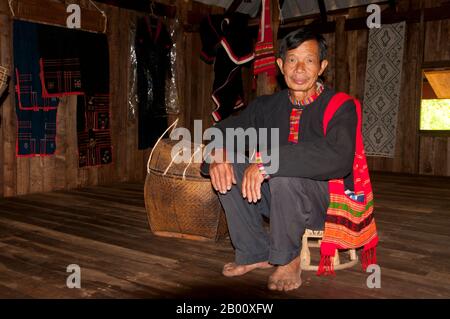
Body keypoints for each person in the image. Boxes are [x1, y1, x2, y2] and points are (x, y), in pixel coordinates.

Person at [201, 27, 357, 291]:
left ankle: (288, 258)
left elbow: (339, 157)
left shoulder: (340, 106)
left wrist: (268, 160)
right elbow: (220, 132)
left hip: (327, 202)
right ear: (281, 65)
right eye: (292, 60)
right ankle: (254, 252)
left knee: (282, 171)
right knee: (229, 166)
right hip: (278, 200)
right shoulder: (266, 106)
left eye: (309, 61)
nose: (299, 69)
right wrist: (218, 153)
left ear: (322, 67)